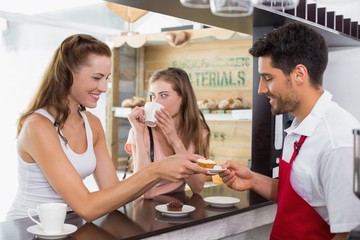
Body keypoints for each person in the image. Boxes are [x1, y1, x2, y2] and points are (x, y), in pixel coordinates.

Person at [6, 34, 208, 221]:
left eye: (107, 78)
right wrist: (156, 171)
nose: (104, 88)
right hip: (29, 225)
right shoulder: (38, 126)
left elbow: (113, 192)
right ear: (68, 73)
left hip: (70, 223)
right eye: (96, 78)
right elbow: (86, 206)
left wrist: (160, 170)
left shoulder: (92, 124)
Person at [219, 22, 360, 239]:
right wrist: (253, 180)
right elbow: (301, 196)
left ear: (299, 74)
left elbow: (348, 234)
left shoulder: (339, 142)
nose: (261, 89)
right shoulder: (298, 125)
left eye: (268, 78)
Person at [125, 67, 210, 199]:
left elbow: (197, 187)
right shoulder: (141, 130)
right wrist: (138, 134)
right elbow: (145, 193)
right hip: (143, 206)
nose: (156, 102)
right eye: (153, 96)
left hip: (176, 207)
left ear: (183, 98)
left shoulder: (198, 130)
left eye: (164, 95)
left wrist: (174, 140)